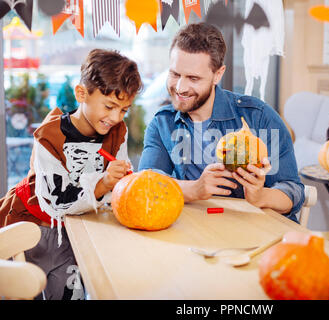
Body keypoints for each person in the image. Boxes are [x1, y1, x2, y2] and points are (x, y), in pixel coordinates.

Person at [0, 49, 143, 299]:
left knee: (72, 294)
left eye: (123, 110)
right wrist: (104, 182)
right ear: (82, 94)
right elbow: (58, 200)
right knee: (26, 290)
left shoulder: (117, 131)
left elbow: (119, 182)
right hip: (35, 227)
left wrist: (121, 179)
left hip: (75, 232)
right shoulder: (49, 136)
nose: (115, 117)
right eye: (109, 106)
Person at [139, 23, 305, 221]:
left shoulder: (258, 117)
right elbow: (146, 184)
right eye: (175, 74)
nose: (180, 88)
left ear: (218, 74)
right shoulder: (162, 124)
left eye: (193, 78)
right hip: (197, 230)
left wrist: (260, 196)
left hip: (254, 231)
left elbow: (292, 191)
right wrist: (194, 189)